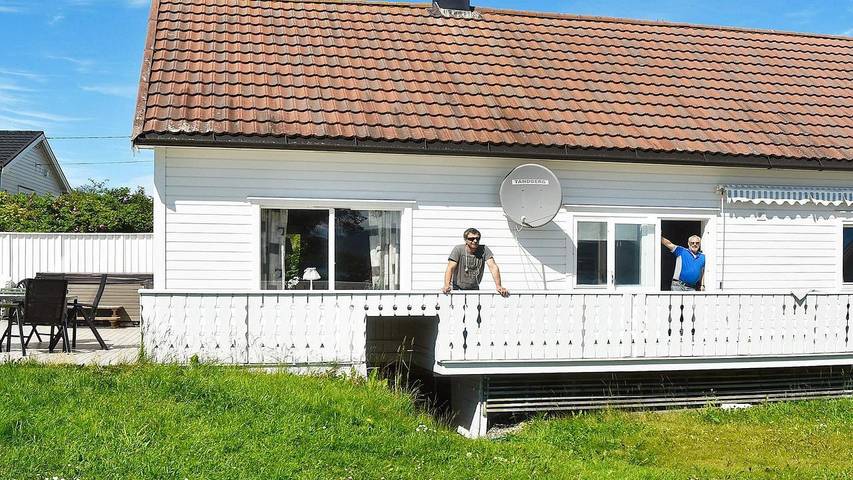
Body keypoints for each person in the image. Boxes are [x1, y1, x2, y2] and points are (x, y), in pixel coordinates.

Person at [441, 228, 509, 297]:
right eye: (471, 239)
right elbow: (450, 267)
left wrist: (499, 286)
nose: (475, 241)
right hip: (457, 289)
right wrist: (447, 285)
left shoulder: (484, 249)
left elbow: (493, 267)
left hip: (474, 289)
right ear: (465, 240)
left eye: (477, 238)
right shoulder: (458, 249)